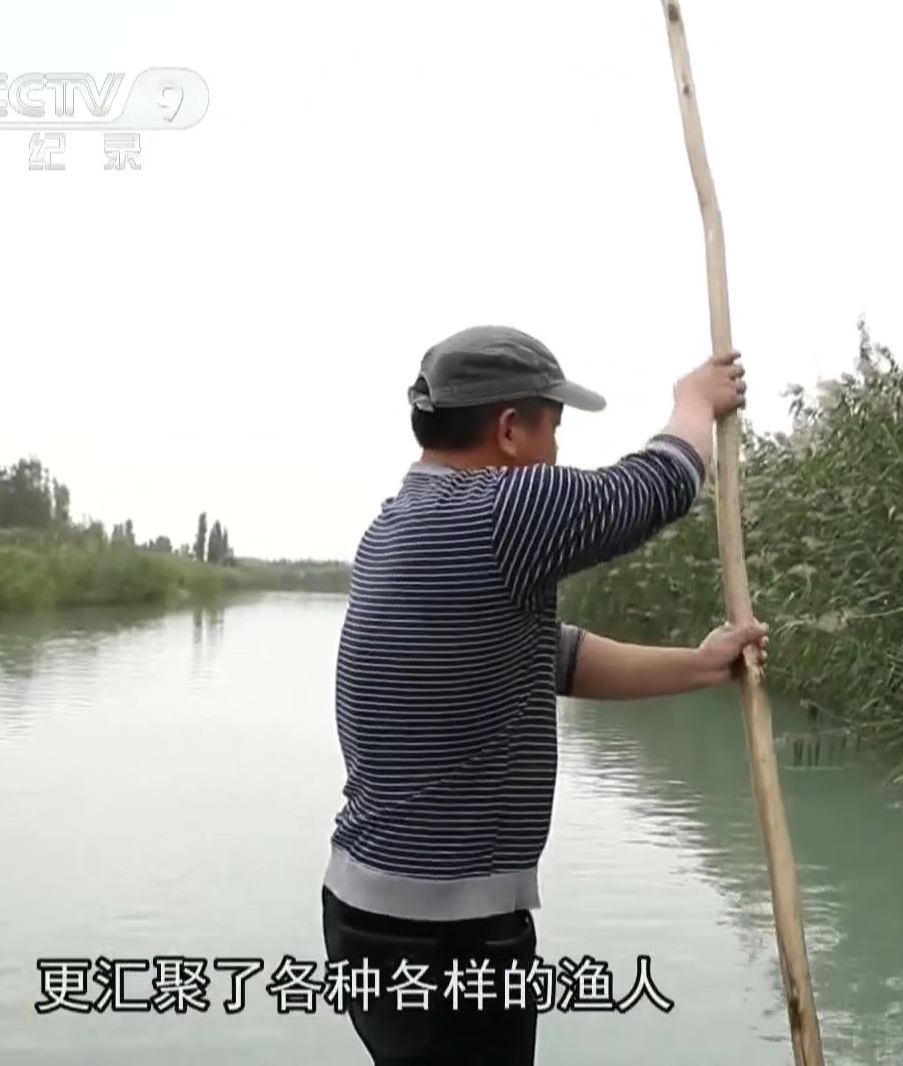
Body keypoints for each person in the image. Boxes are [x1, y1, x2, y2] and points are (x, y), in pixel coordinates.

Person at [321, 325, 767, 1065]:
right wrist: (694, 403)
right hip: (448, 934)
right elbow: (655, 487)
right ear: (508, 430)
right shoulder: (501, 509)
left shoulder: (399, 524)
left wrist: (700, 666)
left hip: (370, 912)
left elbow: (551, 659)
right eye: (553, 428)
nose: (556, 450)